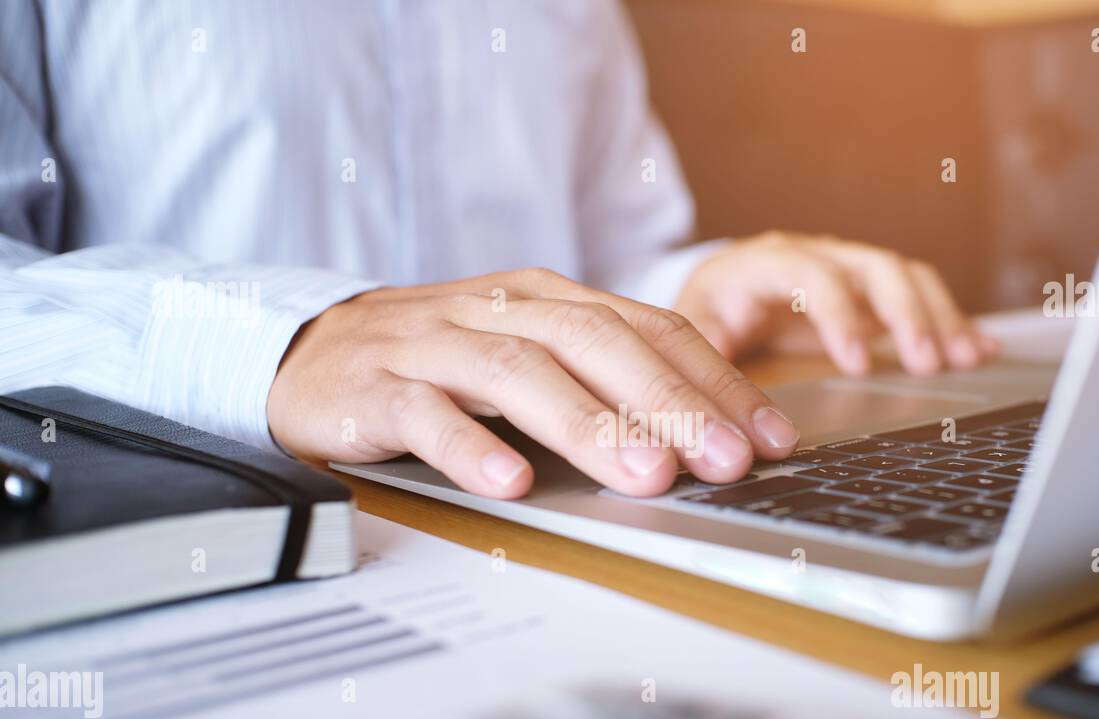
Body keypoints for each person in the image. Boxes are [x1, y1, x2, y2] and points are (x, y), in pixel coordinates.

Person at [0, 0, 997, 499]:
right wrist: (281, 342)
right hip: (231, 533)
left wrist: (688, 288)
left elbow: (599, 253)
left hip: (576, 511)